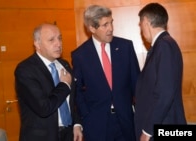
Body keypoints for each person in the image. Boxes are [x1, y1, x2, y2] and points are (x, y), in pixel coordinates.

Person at [71, 4, 140, 141]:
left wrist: (142, 116)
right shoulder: (80, 55)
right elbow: (77, 92)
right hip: (97, 126)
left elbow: (137, 84)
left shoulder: (126, 47)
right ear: (92, 28)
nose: (111, 28)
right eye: (105, 25)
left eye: (111, 22)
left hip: (126, 122)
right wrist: (86, 117)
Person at [14, 23, 83, 141]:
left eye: (60, 38)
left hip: (68, 134)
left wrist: (76, 124)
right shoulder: (25, 70)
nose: (58, 43)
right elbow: (44, 108)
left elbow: (72, 101)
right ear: (37, 44)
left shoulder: (64, 65)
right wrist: (64, 85)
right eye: (51, 40)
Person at [134, 3, 187, 141]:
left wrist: (148, 130)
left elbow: (165, 93)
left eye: (140, 25)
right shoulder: (164, 45)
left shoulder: (164, 46)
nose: (141, 30)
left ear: (146, 22)